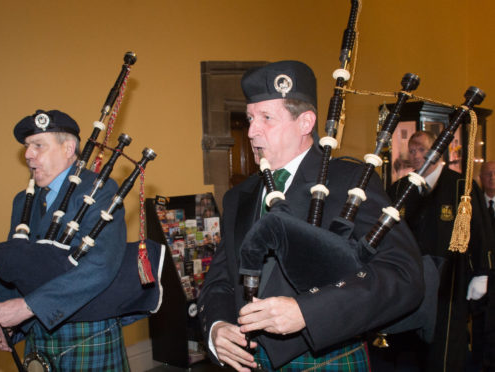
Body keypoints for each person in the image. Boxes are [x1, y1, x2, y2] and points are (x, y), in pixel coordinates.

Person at [197, 60, 425, 372]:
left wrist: (309, 311)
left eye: (266, 118)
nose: (251, 131)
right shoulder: (240, 195)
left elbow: (402, 275)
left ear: (306, 122)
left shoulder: (350, 181)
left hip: (323, 358)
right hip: (248, 361)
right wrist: (217, 328)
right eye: (250, 118)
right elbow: (222, 278)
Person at [0, 109, 130, 371]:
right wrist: (3, 316)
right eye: (27, 147)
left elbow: (100, 265)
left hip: (87, 330)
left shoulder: (100, 190)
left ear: (68, 149)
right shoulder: (23, 201)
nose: (29, 154)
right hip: (35, 332)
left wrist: (29, 306)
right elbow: (13, 263)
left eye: (38, 146)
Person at [381, 131, 490, 372]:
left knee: (446, 342)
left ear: (437, 152)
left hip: (449, 278)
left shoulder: (462, 185)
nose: (416, 155)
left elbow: (480, 231)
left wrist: (482, 273)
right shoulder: (400, 188)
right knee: (409, 345)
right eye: (412, 150)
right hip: (411, 279)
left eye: (422, 150)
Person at [478, 161, 495, 371]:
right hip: (482, 273)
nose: (492, 177)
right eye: (487, 173)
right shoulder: (473, 205)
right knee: (482, 320)